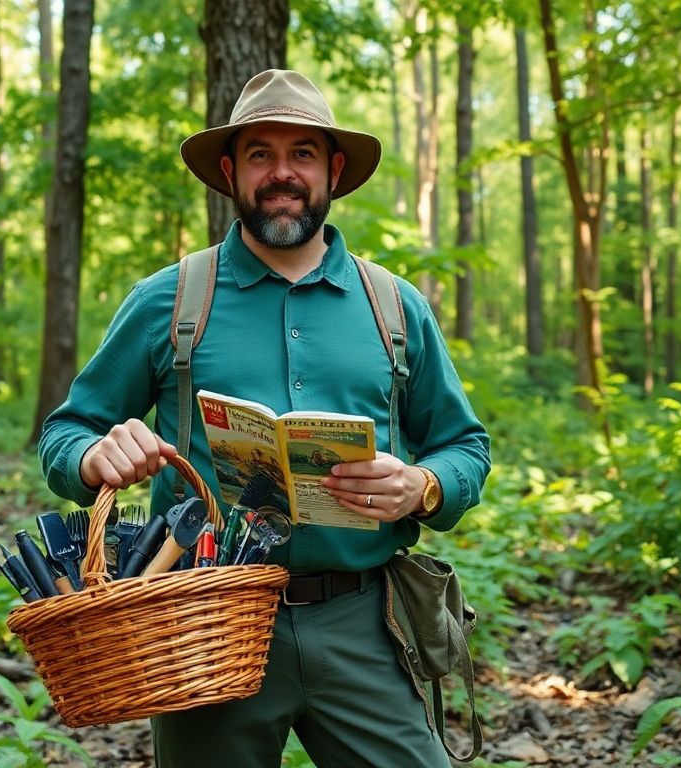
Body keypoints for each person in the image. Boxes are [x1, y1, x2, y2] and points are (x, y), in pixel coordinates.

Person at [39, 68, 491, 767]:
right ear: (229, 171)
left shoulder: (395, 307)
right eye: (260, 154)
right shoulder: (170, 300)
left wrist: (424, 486)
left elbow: (464, 445)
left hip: (364, 622)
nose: (282, 173)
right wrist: (93, 457)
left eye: (302, 153)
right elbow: (65, 434)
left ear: (334, 169)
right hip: (203, 626)